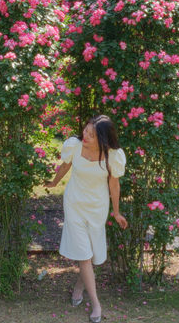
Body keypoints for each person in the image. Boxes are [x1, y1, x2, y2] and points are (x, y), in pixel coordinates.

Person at [45, 115, 128, 323]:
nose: (85, 135)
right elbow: (65, 166)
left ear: (103, 138)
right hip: (74, 203)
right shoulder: (74, 146)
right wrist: (55, 182)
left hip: (97, 207)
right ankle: (96, 304)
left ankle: (79, 286)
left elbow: (114, 185)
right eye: (85, 130)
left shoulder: (112, 155)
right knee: (84, 254)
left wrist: (116, 212)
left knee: (90, 255)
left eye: (91, 134)